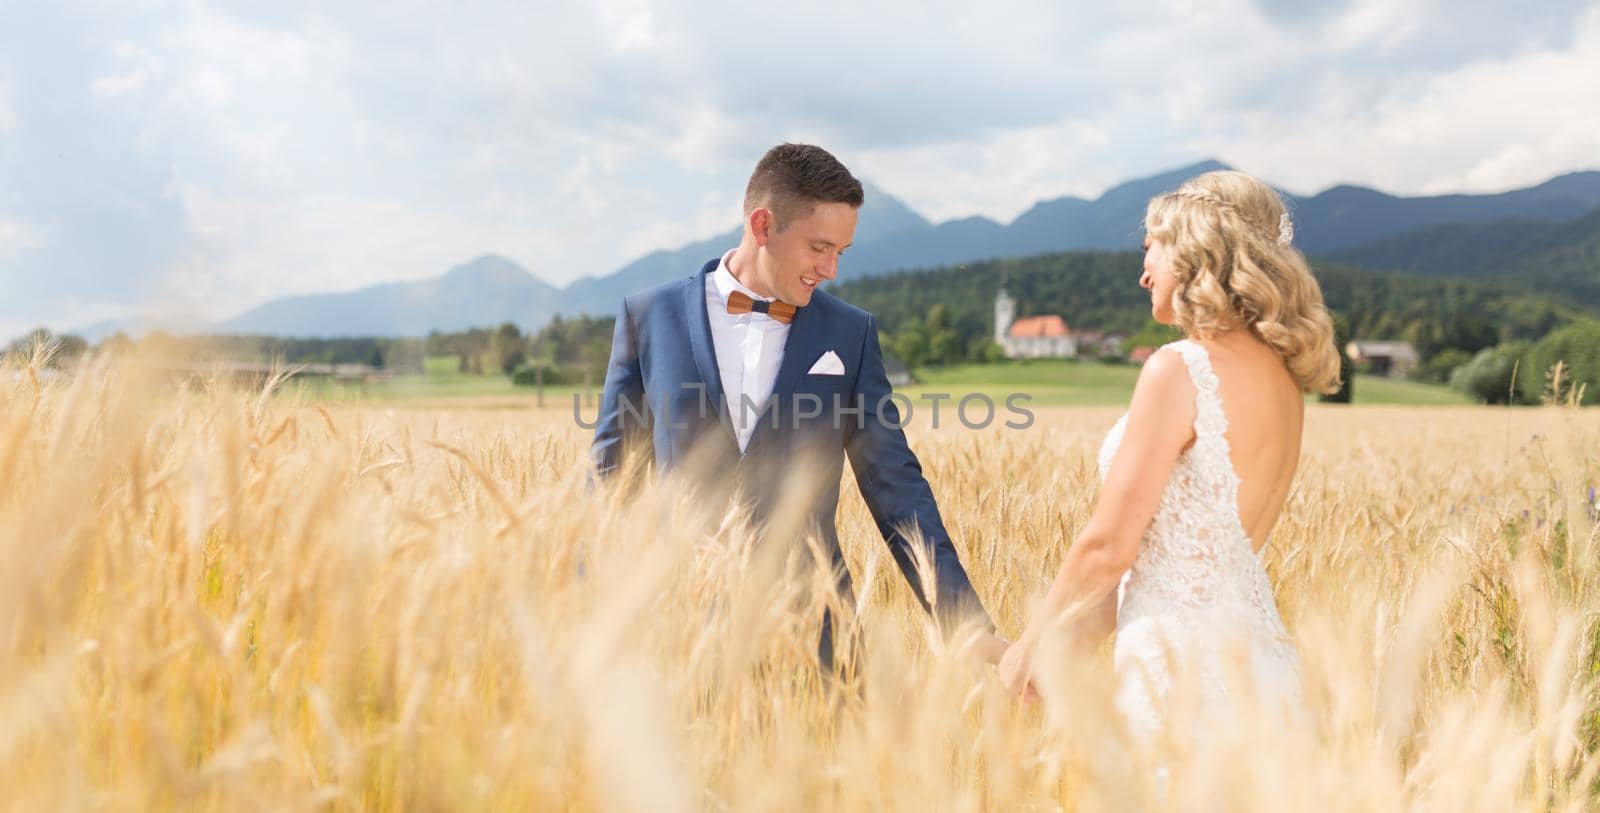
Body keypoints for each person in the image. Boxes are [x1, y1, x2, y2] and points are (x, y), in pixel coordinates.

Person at [591, 143, 1005, 673]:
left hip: (818, 638)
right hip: (680, 632)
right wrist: (587, 615)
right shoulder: (648, 317)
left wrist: (964, 624)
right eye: (819, 247)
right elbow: (608, 487)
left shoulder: (851, 333)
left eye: (841, 252)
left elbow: (896, 486)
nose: (830, 269)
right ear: (763, 225)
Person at [997, 170, 1340, 744]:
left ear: (1193, 250)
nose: (1142, 273)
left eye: (1150, 248)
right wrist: (1068, 651)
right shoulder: (1282, 380)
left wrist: (1029, 646)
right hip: (1262, 664)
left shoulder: (1180, 368)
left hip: (1179, 672)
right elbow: (1178, 559)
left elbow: (1110, 547)